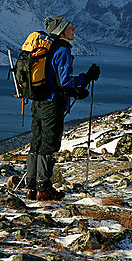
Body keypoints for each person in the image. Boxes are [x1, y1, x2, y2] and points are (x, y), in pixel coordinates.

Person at [26, 15, 100, 201]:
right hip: (52, 104)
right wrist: (85, 79)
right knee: (49, 145)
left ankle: (31, 187)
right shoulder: (62, 51)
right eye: (70, 27)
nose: (74, 30)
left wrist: (77, 86)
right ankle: (44, 189)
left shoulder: (45, 49)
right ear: (61, 31)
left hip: (38, 102)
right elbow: (65, 81)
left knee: (37, 142)